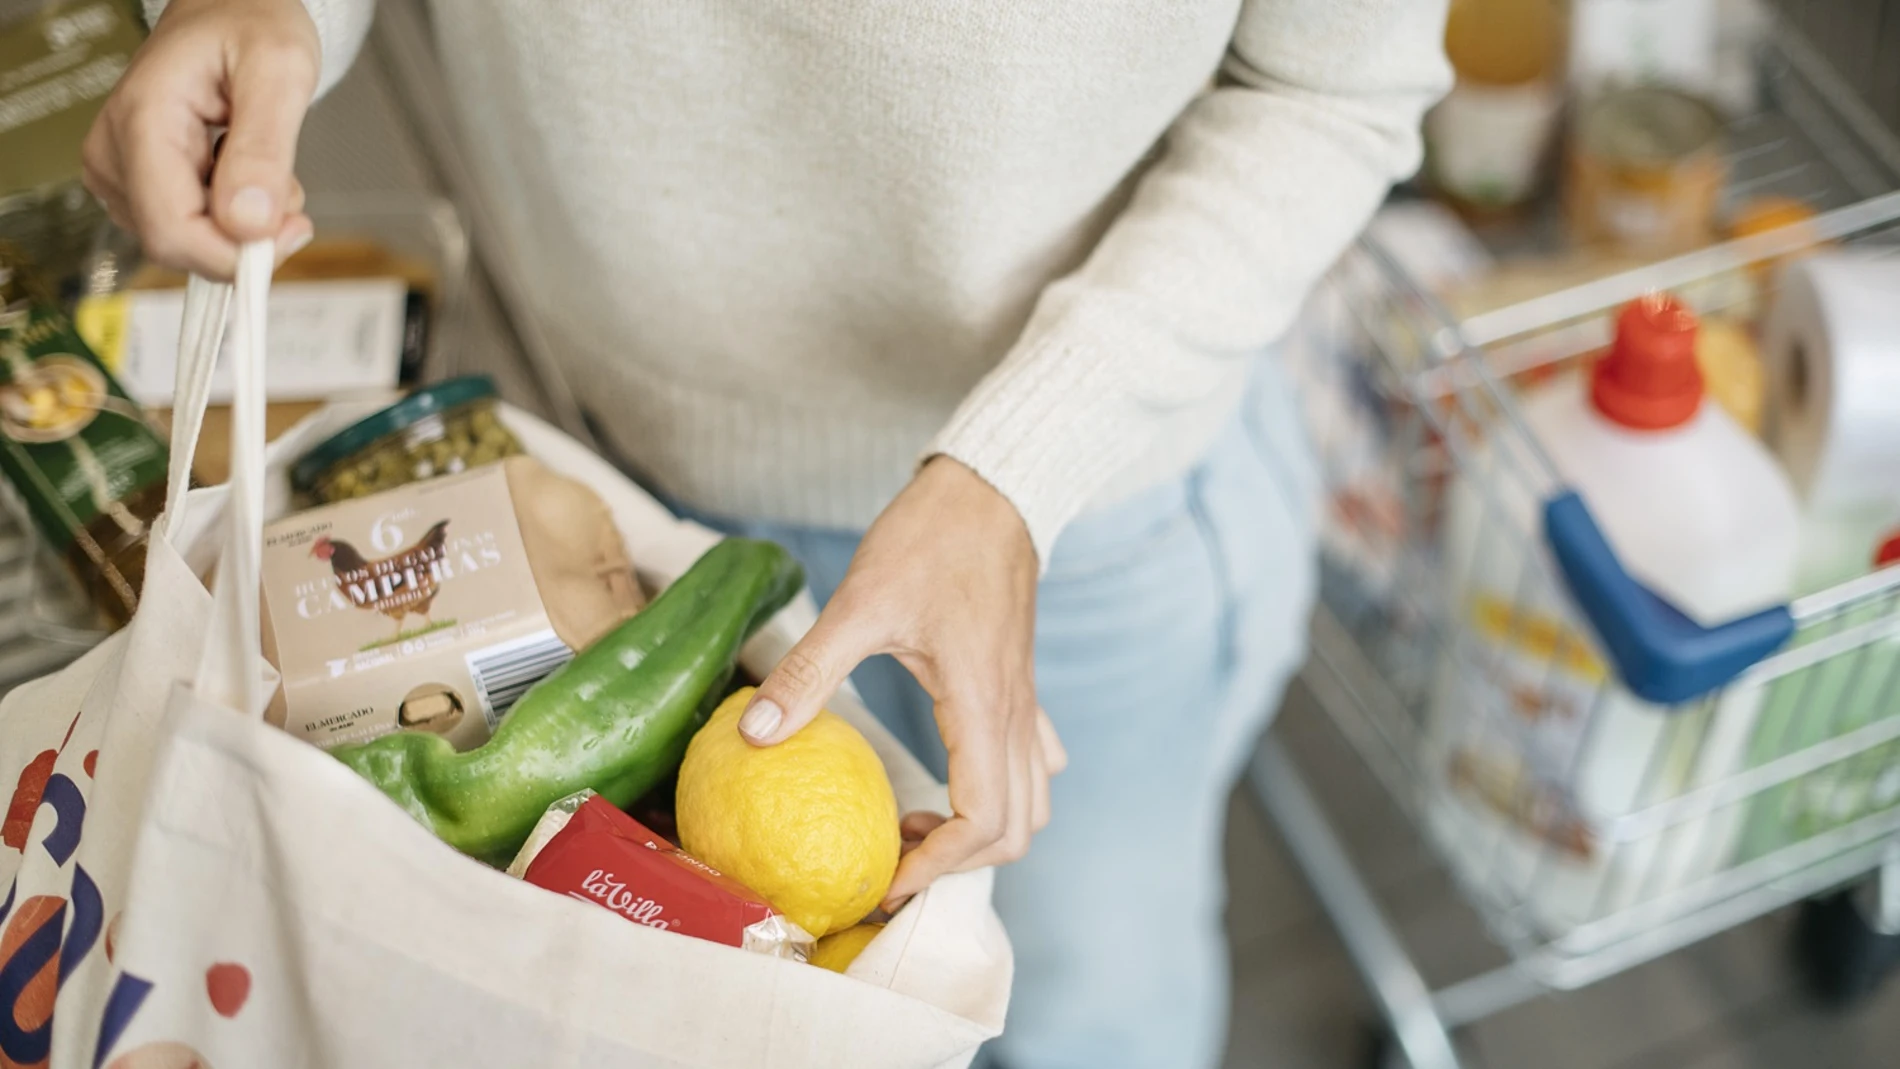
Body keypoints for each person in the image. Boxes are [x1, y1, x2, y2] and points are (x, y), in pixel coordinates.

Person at [86, 1, 1449, 1064]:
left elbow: (1336, 85)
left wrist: (1015, 467)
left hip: (1080, 515)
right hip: (607, 468)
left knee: (1087, 1001)